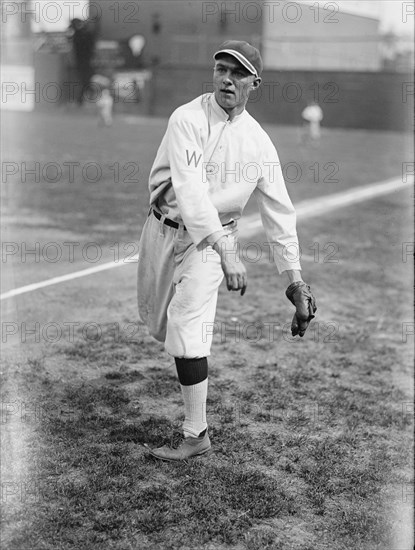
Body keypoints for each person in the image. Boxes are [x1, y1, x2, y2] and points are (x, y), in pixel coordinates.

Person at [138, 41, 317, 461]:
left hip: (212, 244)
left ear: (254, 82)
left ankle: (195, 434)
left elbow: (279, 213)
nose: (226, 79)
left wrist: (295, 282)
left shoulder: (259, 143)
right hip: (162, 232)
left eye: (237, 73)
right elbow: (190, 190)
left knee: (187, 327)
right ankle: (194, 417)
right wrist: (226, 249)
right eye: (221, 69)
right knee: (158, 323)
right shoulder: (187, 118)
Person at [68, 18, 96, 105]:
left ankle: (82, 99)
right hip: (84, 61)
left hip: (82, 61)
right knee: (86, 80)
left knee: (85, 80)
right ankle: (83, 99)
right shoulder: (80, 35)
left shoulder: (77, 35)